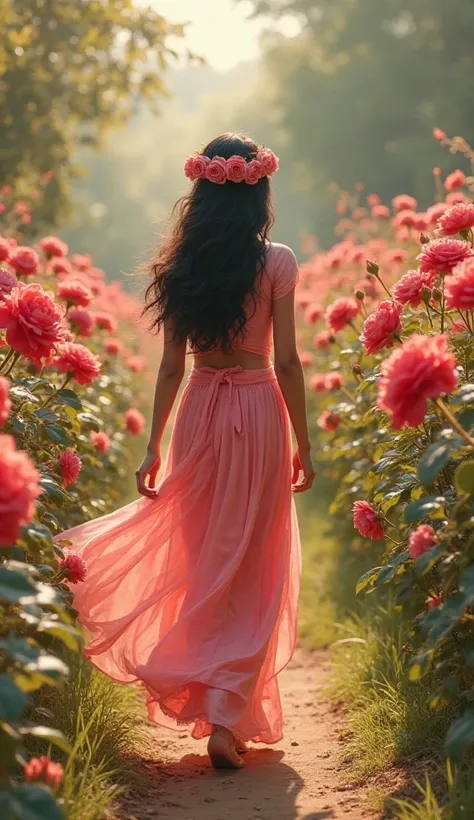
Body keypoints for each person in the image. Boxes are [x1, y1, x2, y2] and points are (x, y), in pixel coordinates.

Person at [59, 133, 314, 770]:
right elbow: (285, 361)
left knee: (204, 557)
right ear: (259, 193)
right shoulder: (277, 261)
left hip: (199, 407)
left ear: (199, 195)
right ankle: (227, 715)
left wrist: (151, 445)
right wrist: (304, 442)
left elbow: (172, 366)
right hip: (257, 410)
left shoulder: (182, 269)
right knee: (253, 560)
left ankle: (210, 694)